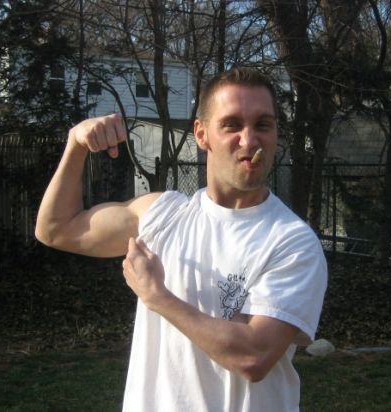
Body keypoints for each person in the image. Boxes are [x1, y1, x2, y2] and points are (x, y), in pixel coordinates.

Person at [35, 67, 328, 412]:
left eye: (263, 124)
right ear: (202, 135)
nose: (249, 140)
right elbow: (56, 229)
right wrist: (75, 145)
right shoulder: (162, 215)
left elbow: (254, 356)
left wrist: (156, 296)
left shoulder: (291, 241)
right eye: (232, 125)